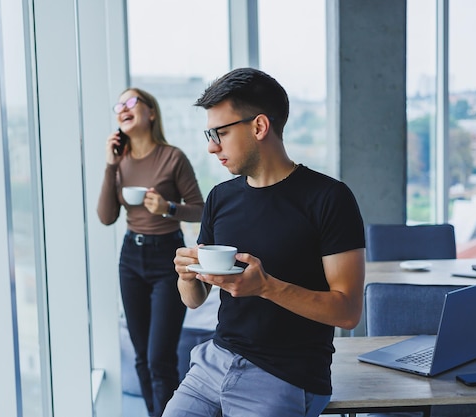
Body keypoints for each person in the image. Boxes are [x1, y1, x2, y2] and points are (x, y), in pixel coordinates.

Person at [164, 68, 366, 417]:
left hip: (285, 374)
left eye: (220, 133)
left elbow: (348, 312)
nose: (212, 147)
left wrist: (267, 287)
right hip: (214, 362)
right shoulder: (220, 198)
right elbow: (195, 300)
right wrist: (186, 276)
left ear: (259, 127)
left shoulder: (330, 198)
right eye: (209, 134)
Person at [97, 87, 204, 417]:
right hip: (130, 258)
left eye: (131, 102)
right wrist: (110, 166)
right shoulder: (121, 163)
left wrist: (169, 207)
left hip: (165, 258)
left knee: (160, 357)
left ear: (151, 112)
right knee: (142, 356)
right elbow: (106, 217)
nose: (123, 108)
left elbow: (200, 209)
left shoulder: (173, 157)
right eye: (119, 105)